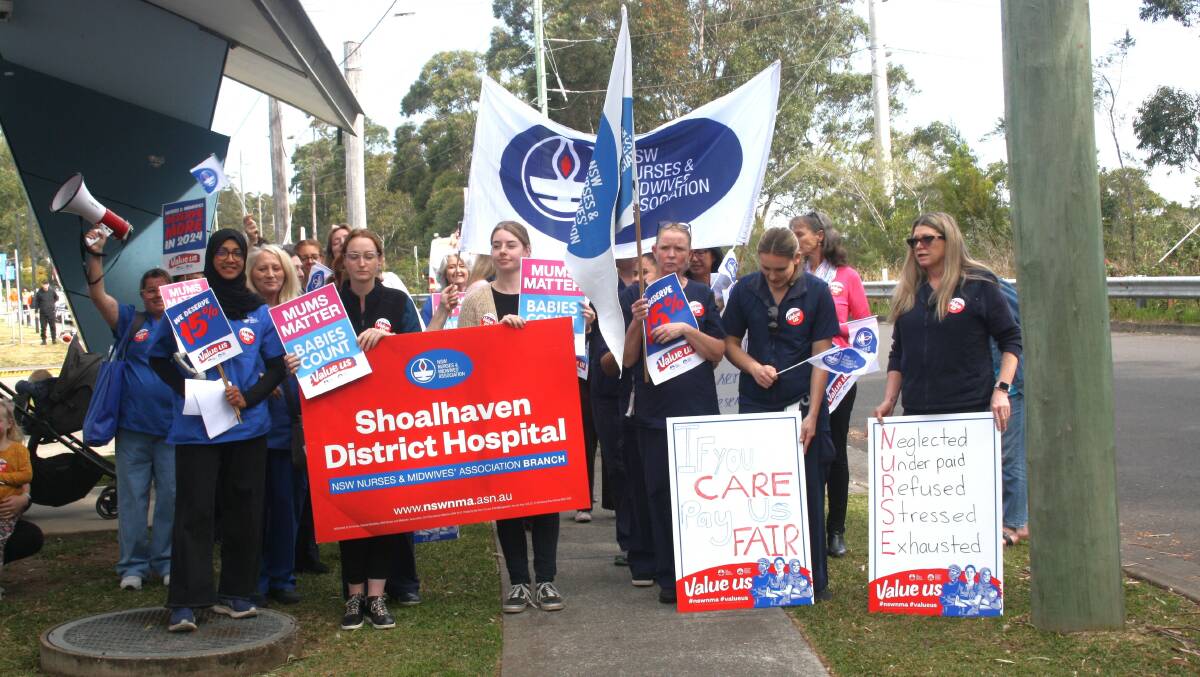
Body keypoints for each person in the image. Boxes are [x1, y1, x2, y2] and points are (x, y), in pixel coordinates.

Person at [148, 229, 287, 633]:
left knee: (245, 511)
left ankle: (237, 593)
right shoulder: (190, 306)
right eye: (222, 252)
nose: (229, 259)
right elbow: (158, 357)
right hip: (198, 430)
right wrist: (189, 390)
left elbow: (276, 366)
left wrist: (250, 397)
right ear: (211, 258)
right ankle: (186, 601)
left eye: (236, 253)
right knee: (195, 512)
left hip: (248, 428)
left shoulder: (258, 310)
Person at [721, 226, 839, 600]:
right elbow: (729, 343)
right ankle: (761, 574)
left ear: (797, 260)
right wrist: (752, 367)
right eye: (766, 269)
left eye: (780, 269)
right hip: (756, 401)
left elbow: (822, 357)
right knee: (758, 490)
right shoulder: (744, 289)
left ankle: (813, 579)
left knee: (807, 489)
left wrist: (813, 415)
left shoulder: (817, 292)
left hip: (802, 403)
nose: (772, 276)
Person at [459, 221, 567, 614]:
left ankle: (547, 579)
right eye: (497, 245)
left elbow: (564, 348)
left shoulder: (548, 295)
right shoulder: (477, 297)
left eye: (511, 245)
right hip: (496, 413)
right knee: (507, 499)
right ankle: (519, 582)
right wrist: (498, 338)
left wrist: (581, 322)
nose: (503, 251)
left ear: (526, 250)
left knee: (546, 496)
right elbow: (462, 354)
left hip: (542, 409)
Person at [620, 222, 726, 605]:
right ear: (654, 250)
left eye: (679, 249)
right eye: (665, 248)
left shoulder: (701, 293)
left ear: (690, 254)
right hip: (653, 413)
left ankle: (700, 570)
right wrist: (637, 321)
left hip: (697, 410)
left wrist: (686, 329)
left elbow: (717, 352)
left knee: (699, 495)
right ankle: (668, 577)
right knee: (660, 496)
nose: (671, 255)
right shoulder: (636, 294)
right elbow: (627, 359)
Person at [334, 228, 422, 630]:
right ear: (344, 261)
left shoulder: (397, 301)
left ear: (380, 260)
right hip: (340, 420)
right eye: (354, 256)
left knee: (385, 507)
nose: (361, 263)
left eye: (369, 255)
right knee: (350, 508)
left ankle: (377, 595)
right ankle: (353, 596)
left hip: (387, 421)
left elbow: (418, 351)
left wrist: (389, 340)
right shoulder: (328, 304)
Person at [84, 228, 177, 591]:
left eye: (163, 288)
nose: (157, 294)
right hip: (133, 429)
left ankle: (166, 561)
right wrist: (95, 255)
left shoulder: (188, 324)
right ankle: (133, 567)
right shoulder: (130, 320)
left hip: (173, 429)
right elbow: (97, 295)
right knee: (132, 499)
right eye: (150, 290)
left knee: (171, 498)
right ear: (142, 295)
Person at [872, 212, 1021, 433]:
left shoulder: (979, 285)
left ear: (949, 240)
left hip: (969, 411)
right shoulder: (908, 292)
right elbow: (898, 352)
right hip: (916, 413)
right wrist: (890, 400)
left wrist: (1001, 389)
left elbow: (1011, 339)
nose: (919, 246)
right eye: (914, 241)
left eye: (927, 239)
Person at [791, 211, 870, 560]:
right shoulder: (793, 274)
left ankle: (835, 528)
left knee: (835, 449)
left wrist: (830, 325)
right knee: (804, 447)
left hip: (838, 374)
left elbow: (865, 327)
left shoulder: (846, 276)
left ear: (820, 235)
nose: (796, 239)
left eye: (800, 233)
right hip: (802, 372)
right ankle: (803, 525)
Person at [246, 245, 304, 606]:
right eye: (262, 269)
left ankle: (283, 576)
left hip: (292, 424)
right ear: (250, 275)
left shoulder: (301, 313)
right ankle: (256, 578)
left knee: (287, 505)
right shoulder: (242, 314)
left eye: (276, 268)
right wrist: (260, 379)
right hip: (254, 422)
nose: (270, 274)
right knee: (255, 508)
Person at [991, 278, 1028, 546]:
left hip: (1009, 385)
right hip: (984, 383)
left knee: (1010, 454)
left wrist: (1005, 384)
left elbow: (1015, 334)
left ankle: (1015, 523)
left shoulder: (988, 284)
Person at [0, 399, 33, 595]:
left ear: (9, 424)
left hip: (5, 512)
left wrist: (24, 497)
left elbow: (26, 476)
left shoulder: (18, 450)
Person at [422, 252, 469, 331]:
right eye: (451, 267)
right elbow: (424, 332)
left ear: (469, 271)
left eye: (462, 266)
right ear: (445, 274)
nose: (458, 270)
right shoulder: (432, 301)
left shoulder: (477, 296)